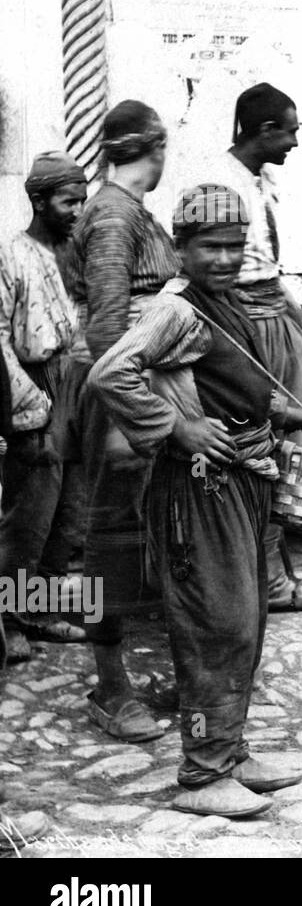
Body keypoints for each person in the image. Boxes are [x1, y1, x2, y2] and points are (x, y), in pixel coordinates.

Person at [88, 183, 302, 818]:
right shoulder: (176, 309)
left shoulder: (228, 301)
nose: (224, 257)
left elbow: (234, 377)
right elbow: (110, 373)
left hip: (242, 477)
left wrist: (281, 410)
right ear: (181, 247)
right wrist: (175, 427)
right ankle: (200, 769)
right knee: (212, 624)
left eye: (234, 246)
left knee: (246, 623)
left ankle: (231, 752)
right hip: (197, 486)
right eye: (210, 246)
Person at [202, 82, 302, 611]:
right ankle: (258, 586)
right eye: (290, 130)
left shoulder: (261, 178)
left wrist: (297, 320)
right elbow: (218, 274)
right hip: (244, 323)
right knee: (256, 451)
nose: (295, 142)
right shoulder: (220, 183)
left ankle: (273, 584)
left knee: (278, 450)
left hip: (271, 311)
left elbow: (268, 267)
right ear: (264, 130)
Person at [67, 100, 178, 743]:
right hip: (122, 385)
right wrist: (133, 413)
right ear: (155, 148)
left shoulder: (128, 212)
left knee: (149, 529)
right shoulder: (112, 217)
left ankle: (150, 673)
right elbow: (109, 322)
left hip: (145, 379)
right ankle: (110, 688)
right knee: (110, 537)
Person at [0, 153, 89, 663]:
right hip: (33, 386)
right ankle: (11, 620)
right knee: (29, 515)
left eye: (81, 200)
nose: (77, 210)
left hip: (73, 384)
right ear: (38, 201)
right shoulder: (11, 253)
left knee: (70, 512)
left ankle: (46, 610)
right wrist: (26, 403)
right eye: (67, 201)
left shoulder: (73, 252)